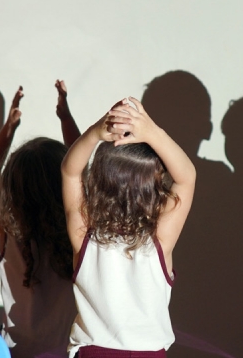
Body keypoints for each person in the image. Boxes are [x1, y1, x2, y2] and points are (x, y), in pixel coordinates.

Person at [62, 97, 196, 357]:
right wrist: (152, 132)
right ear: (153, 188)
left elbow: (70, 172)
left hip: (94, 353)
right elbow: (187, 177)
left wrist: (94, 133)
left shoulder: (84, 234)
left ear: (98, 181)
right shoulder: (159, 239)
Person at [0, 81, 80, 358]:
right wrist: (66, 118)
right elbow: (82, 169)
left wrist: (9, 128)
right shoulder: (78, 232)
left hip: (17, 353)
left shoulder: (8, 234)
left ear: (12, 191)